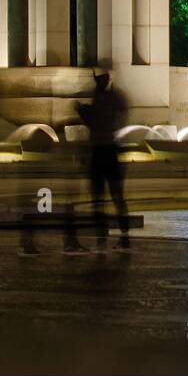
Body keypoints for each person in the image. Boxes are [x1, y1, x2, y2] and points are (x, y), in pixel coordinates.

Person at [75, 72, 132, 251]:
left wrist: (82, 111)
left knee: (99, 198)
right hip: (110, 151)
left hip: (100, 152)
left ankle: (102, 238)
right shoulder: (113, 98)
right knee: (116, 197)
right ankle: (123, 237)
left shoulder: (100, 99)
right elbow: (119, 113)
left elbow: (94, 121)